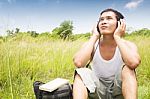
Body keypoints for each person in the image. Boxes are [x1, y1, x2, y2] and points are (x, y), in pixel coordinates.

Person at [72, 8, 141, 99]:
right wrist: (94, 36)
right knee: (81, 72)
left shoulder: (128, 45)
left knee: (128, 69)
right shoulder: (92, 44)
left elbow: (133, 63)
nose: (104, 22)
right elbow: (79, 63)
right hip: (97, 89)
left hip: (119, 90)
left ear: (120, 24)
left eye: (109, 18)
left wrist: (117, 37)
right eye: (101, 19)